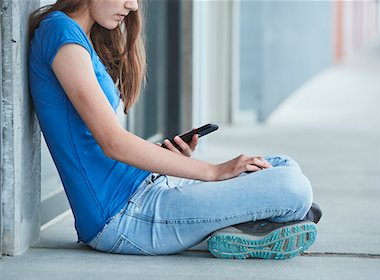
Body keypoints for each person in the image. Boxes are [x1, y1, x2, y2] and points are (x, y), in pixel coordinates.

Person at [28, 0, 322, 260]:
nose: (132, 6)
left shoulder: (81, 38)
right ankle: (258, 221)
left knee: (283, 166)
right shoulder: (60, 35)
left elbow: (98, 146)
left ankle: (247, 225)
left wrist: (170, 159)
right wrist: (213, 171)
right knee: (292, 189)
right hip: (122, 217)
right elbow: (112, 143)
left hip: (147, 188)